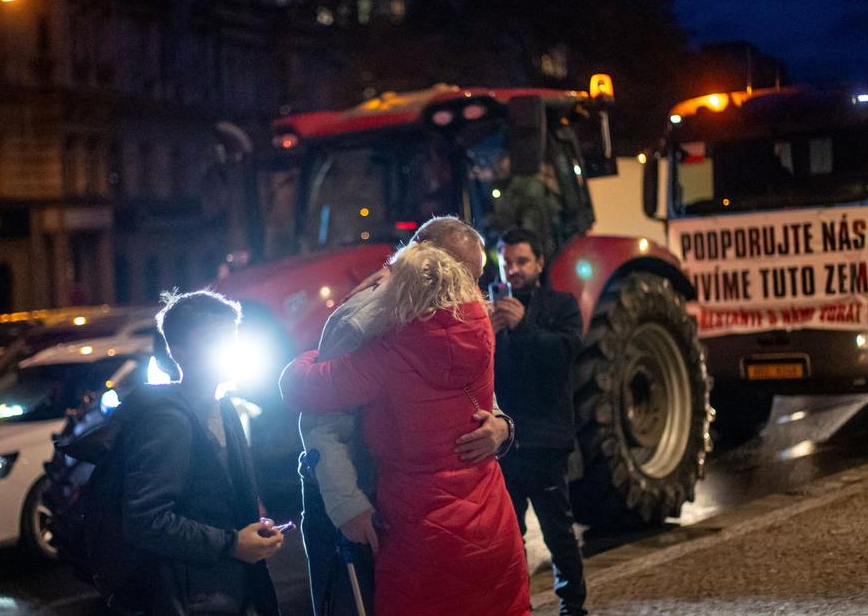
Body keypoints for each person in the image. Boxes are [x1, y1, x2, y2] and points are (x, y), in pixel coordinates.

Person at [281, 241, 530, 616]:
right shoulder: (482, 334)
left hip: (423, 532)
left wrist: (310, 354)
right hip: (492, 521)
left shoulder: (389, 353)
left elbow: (301, 389)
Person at [117, 290, 284, 615]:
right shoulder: (168, 421)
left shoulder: (225, 409)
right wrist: (232, 544)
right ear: (178, 352)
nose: (227, 349)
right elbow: (144, 520)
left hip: (232, 590)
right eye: (213, 339)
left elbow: (216, 500)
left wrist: (252, 527)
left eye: (231, 337)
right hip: (193, 597)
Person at [492, 228, 587, 616]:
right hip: (505, 445)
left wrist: (524, 327)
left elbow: (564, 356)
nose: (513, 270)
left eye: (522, 261)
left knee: (559, 534)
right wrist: (488, 332)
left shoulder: (561, 306)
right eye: (506, 261)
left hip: (546, 441)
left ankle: (573, 608)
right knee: (508, 539)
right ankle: (517, 607)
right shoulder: (492, 309)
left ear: (539, 264)